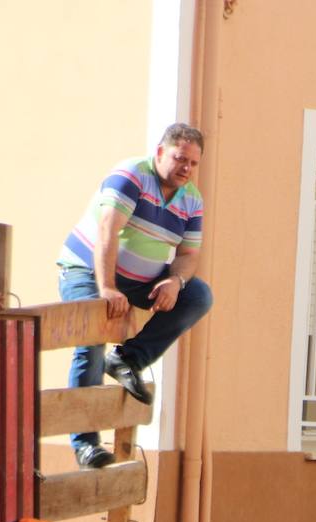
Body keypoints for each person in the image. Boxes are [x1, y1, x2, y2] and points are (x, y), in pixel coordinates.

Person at [58, 122, 213, 468]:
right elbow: (107, 231)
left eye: (193, 163)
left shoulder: (192, 201)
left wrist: (175, 282)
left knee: (198, 295)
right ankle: (85, 445)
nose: (186, 168)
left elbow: (188, 257)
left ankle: (129, 358)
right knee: (92, 338)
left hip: (139, 281)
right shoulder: (132, 175)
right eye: (179, 158)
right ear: (160, 153)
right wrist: (108, 288)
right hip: (88, 269)